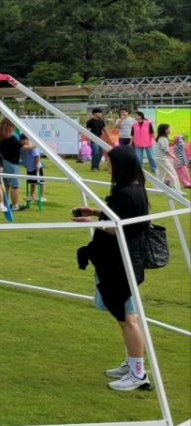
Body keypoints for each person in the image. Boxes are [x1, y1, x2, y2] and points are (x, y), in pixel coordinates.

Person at [71, 146, 152, 391]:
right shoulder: (135, 190)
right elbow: (122, 219)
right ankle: (132, 364)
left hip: (120, 264)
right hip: (121, 261)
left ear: (121, 166)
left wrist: (90, 221)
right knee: (124, 316)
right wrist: (97, 212)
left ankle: (138, 374)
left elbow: (119, 229)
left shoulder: (127, 193)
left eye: (110, 163)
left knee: (128, 318)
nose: (108, 167)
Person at [0, 118, 25, 212]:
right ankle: (15, 206)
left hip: (2, 162)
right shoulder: (11, 139)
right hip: (11, 162)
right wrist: (37, 145)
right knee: (14, 185)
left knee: (6, 185)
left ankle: (5, 204)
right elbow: (23, 147)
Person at [20, 136, 45, 205]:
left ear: (29, 140)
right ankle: (32, 195)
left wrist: (36, 164)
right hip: (29, 168)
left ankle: (42, 196)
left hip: (36, 167)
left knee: (41, 181)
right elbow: (22, 157)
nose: (25, 141)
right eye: (23, 140)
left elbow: (37, 156)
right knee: (32, 182)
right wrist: (25, 164)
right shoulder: (22, 149)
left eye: (26, 140)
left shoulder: (32, 148)